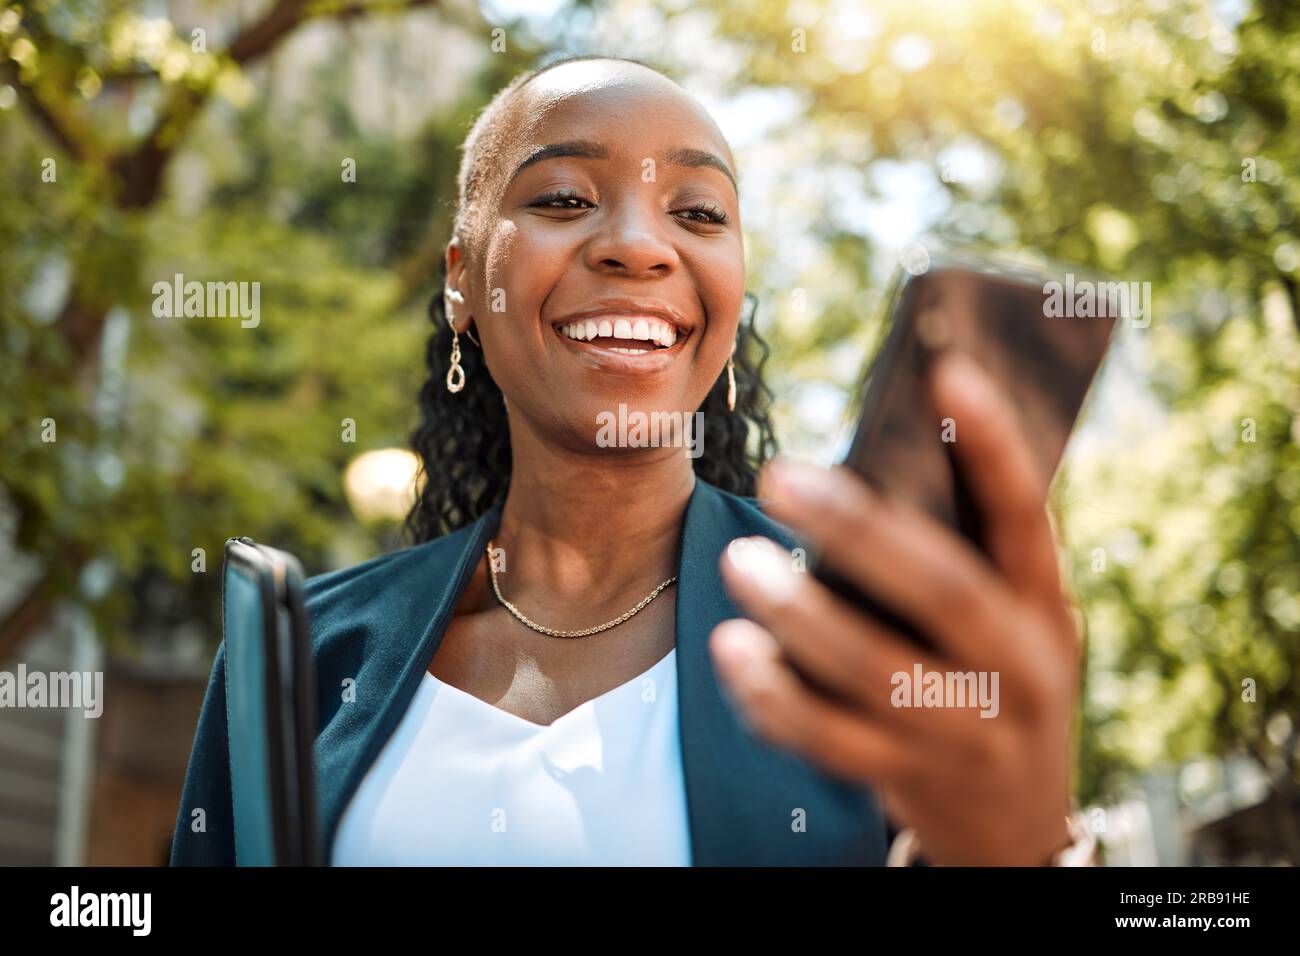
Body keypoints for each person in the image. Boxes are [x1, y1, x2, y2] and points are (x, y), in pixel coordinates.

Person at [170, 55, 1093, 866]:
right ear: (462, 280)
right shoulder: (298, 652)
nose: (639, 247)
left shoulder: (853, 633)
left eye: (697, 212)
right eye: (565, 198)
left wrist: (1027, 858)